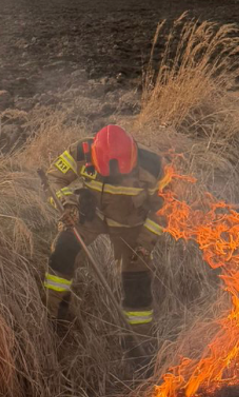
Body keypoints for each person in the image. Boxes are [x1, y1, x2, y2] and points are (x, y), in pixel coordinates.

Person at [42, 123, 166, 353]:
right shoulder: (81, 151)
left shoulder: (153, 166)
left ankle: (140, 345)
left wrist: (145, 243)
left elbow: (168, 209)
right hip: (91, 216)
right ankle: (57, 321)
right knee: (62, 253)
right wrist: (68, 205)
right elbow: (54, 178)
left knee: (136, 285)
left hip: (132, 226)